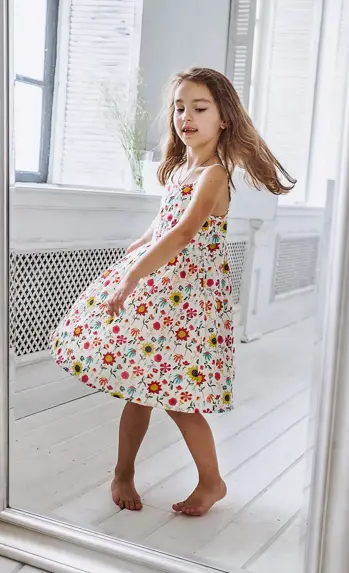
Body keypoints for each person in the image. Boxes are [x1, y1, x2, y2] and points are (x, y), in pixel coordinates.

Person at [51, 67, 295, 517]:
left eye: (200, 108)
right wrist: (141, 244)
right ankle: (122, 472)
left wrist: (132, 276)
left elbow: (184, 234)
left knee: (179, 400)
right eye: (179, 107)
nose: (186, 116)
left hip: (185, 305)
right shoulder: (183, 169)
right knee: (138, 391)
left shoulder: (215, 175)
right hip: (160, 295)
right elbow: (163, 224)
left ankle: (212, 481)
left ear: (224, 118)